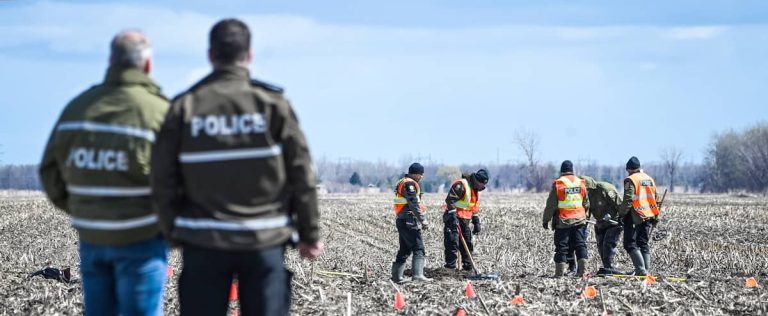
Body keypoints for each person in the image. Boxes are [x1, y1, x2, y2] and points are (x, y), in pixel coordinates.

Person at [151, 18, 322, 316]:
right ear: (249, 55)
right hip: (264, 241)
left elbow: (161, 177)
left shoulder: (184, 107)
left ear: (211, 55)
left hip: (202, 242)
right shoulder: (272, 104)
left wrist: (171, 230)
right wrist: (309, 233)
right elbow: (301, 173)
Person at [39, 30, 170, 315]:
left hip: (93, 238)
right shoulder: (159, 112)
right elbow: (182, 180)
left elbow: (49, 171)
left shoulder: (78, 109)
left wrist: (85, 209)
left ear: (111, 61)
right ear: (147, 65)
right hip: (143, 242)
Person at [542, 160, 590, 277]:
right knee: (580, 245)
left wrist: (546, 220)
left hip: (563, 221)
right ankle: (582, 272)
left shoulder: (559, 184)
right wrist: (584, 215)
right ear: (572, 170)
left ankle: (559, 274)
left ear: (562, 171)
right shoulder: (580, 182)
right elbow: (586, 202)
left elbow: (551, 205)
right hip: (579, 220)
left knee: (562, 247)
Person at [618, 156, 659, 276]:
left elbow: (628, 200)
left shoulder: (630, 179)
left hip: (636, 215)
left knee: (629, 243)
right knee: (643, 243)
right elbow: (655, 197)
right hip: (649, 214)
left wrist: (621, 214)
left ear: (629, 169)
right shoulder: (649, 178)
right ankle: (645, 270)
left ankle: (641, 270)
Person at [391, 163, 431, 283]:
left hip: (402, 219)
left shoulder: (402, 181)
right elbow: (413, 203)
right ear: (416, 174)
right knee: (418, 247)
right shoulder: (410, 184)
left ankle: (397, 277)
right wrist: (422, 219)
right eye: (421, 174)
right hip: (409, 220)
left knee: (404, 249)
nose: (421, 177)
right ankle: (418, 276)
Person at [443, 169, 488, 271]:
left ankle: (468, 268)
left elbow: (473, 206)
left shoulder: (475, 189)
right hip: (453, 218)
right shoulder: (462, 185)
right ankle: (450, 269)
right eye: (482, 184)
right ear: (476, 181)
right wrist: (453, 216)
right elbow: (450, 200)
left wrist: (476, 221)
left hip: (465, 220)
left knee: (467, 244)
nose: (483, 187)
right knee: (452, 243)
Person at [580, 176, 623, 276]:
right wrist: (583, 229)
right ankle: (607, 268)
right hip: (600, 223)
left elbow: (619, 204)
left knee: (608, 245)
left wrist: (623, 218)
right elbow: (587, 211)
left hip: (613, 222)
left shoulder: (604, 189)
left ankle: (609, 268)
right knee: (601, 247)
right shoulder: (584, 195)